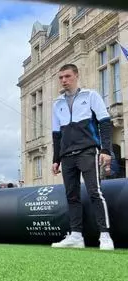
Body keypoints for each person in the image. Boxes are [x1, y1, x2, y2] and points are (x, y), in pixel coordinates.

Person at [51, 63, 114, 250]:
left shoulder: (91, 96)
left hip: (88, 151)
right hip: (67, 154)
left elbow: (104, 123)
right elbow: (56, 134)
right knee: (71, 196)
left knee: (95, 192)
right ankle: (76, 235)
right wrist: (56, 159)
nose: (64, 80)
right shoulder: (57, 104)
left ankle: (105, 235)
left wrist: (106, 150)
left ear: (76, 76)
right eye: (61, 77)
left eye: (67, 76)